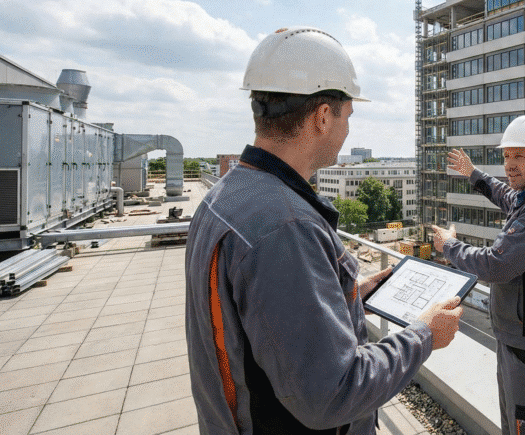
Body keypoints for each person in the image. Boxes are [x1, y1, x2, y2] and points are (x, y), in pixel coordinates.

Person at [185, 26, 463, 435]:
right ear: (322, 117)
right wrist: (423, 336)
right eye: (348, 115)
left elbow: (268, 320)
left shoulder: (230, 194)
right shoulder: (285, 226)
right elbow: (333, 393)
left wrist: (344, 294)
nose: (349, 129)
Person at [431, 115, 525, 435]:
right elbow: (505, 194)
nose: (509, 164)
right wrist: (473, 173)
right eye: (506, 155)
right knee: (516, 424)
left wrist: (448, 245)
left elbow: (495, 265)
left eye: (520, 156)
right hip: (521, 342)